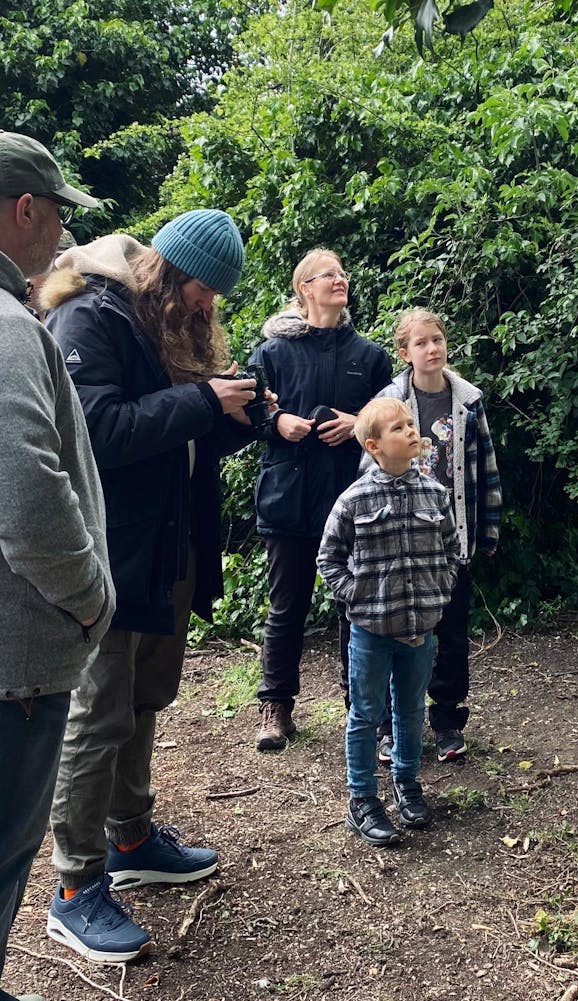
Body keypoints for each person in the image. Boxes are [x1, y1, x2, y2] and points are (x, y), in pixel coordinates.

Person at [41, 209, 262, 963]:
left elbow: (179, 432)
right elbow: (99, 430)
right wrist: (204, 401)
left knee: (142, 702)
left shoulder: (167, 324)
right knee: (96, 717)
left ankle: (130, 835)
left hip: (164, 551)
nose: (207, 307)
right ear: (169, 270)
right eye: (203, 291)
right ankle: (74, 888)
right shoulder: (91, 316)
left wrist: (236, 414)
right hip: (110, 554)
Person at [0, 132, 115, 1001]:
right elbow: (26, 493)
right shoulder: (8, 328)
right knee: (5, 845)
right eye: (56, 214)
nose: (61, 239)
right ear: (25, 209)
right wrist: (88, 599)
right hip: (17, 658)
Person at [248, 248, 392, 752]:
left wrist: (358, 424)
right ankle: (276, 708)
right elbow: (244, 413)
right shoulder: (271, 353)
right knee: (287, 605)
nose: (341, 279)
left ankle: (364, 709)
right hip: (288, 498)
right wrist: (276, 422)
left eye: (342, 272)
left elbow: (393, 417)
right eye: (328, 274)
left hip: (353, 499)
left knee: (354, 605)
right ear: (304, 289)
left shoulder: (370, 357)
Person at [317, 398, 459, 845]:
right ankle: (362, 799)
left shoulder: (434, 494)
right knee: (366, 713)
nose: (412, 432)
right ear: (375, 446)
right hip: (372, 632)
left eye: (411, 424)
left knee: (412, 708)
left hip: (421, 630)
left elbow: (452, 549)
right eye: (399, 428)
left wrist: (440, 591)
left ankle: (407, 782)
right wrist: (357, 597)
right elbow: (329, 559)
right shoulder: (354, 499)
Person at [366, 308, 502, 763]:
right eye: (421, 343)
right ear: (405, 353)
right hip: (405, 545)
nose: (432, 349)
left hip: (453, 541)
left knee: (453, 633)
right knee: (400, 633)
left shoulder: (468, 401)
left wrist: (487, 532)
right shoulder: (390, 402)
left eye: (438, 340)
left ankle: (447, 720)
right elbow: (370, 471)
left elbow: (486, 468)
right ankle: (390, 727)